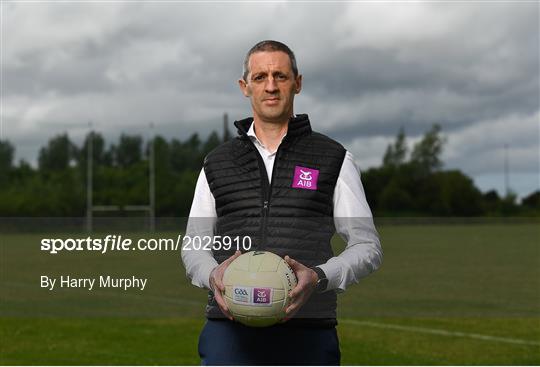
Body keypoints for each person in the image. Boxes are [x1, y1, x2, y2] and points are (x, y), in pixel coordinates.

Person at [181, 40, 383, 365]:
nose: (271, 86)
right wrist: (212, 274)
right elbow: (194, 245)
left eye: (280, 76)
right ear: (244, 87)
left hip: (308, 330)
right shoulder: (217, 162)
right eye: (260, 77)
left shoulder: (334, 158)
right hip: (229, 329)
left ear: (298, 83)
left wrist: (318, 277)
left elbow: (367, 246)